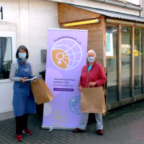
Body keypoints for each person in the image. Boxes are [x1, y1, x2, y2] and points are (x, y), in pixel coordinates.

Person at [73, 49, 107, 135]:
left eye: (92, 56)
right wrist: (79, 85)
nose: (90, 57)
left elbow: (104, 79)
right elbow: (81, 78)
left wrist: (95, 83)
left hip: (95, 91)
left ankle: (100, 128)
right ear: (87, 57)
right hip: (86, 91)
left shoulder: (99, 67)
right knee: (85, 109)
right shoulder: (84, 67)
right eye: (89, 56)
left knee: (97, 109)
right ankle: (82, 127)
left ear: (95, 57)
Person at [9, 45, 36, 142]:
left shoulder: (30, 62)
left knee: (26, 111)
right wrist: (20, 79)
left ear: (26, 53)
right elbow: (11, 77)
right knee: (19, 111)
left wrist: (33, 78)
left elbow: (31, 74)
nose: (22, 53)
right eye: (20, 51)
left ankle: (25, 128)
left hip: (28, 89)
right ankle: (18, 133)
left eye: (24, 51)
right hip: (19, 89)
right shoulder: (15, 63)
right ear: (18, 53)